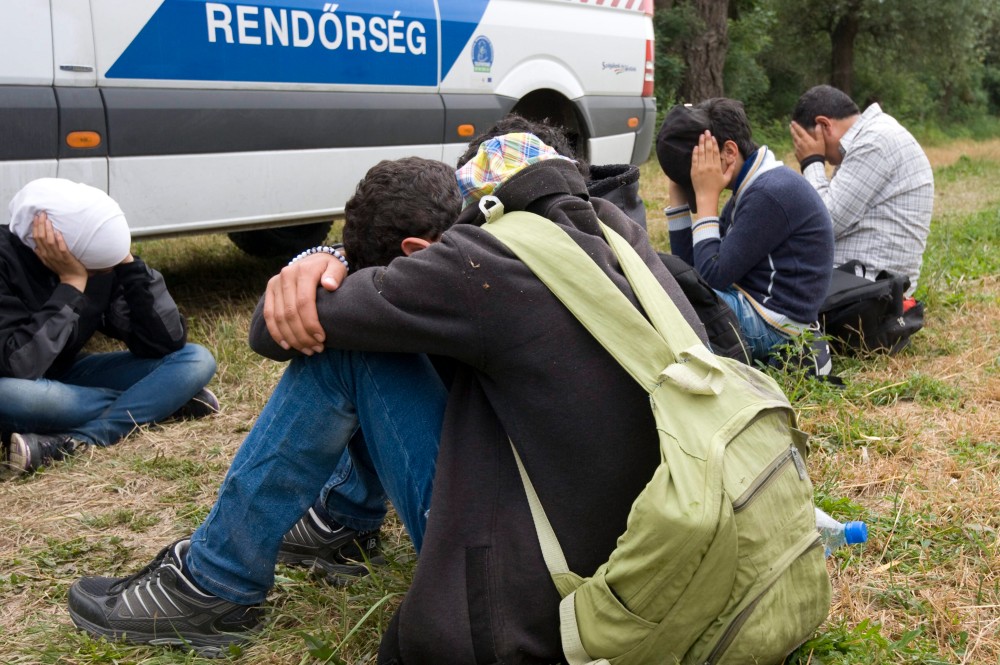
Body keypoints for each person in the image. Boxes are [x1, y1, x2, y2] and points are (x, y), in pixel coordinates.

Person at [68, 136, 708, 663]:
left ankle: (216, 581)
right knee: (404, 343)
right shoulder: (603, 228)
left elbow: (278, 330)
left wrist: (318, 261)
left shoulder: (469, 270)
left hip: (543, 581)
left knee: (354, 351)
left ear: (416, 255)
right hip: (648, 552)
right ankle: (342, 522)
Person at [0, 178, 219, 475]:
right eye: (95, 269)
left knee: (195, 359)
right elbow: (18, 365)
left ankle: (79, 440)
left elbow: (163, 344)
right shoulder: (7, 260)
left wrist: (127, 263)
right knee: (13, 396)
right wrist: (72, 285)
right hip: (15, 383)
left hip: (67, 374)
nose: (98, 274)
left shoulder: (93, 256)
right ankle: (163, 404)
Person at [656, 98, 834, 365]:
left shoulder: (770, 192)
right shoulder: (754, 185)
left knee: (663, 303)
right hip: (754, 305)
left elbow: (710, 279)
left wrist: (706, 199)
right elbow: (690, 274)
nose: (697, 175)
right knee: (663, 285)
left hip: (775, 324)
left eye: (701, 163)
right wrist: (680, 203)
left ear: (729, 151)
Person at [790, 85, 934, 296]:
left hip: (867, 290)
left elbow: (824, 223)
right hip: (868, 282)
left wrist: (812, 161)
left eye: (807, 142)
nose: (826, 159)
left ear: (823, 125)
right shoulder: (872, 136)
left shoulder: (874, 142)